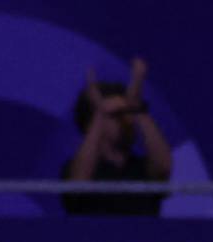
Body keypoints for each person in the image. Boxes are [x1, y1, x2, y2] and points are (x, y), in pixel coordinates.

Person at [61, 60, 172, 216]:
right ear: (91, 125)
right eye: (117, 114)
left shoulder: (142, 168)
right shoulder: (75, 168)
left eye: (128, 114)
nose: (128, 121)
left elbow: (163, 168)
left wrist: (137, 108)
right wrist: (101, 113)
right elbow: (77, 186)